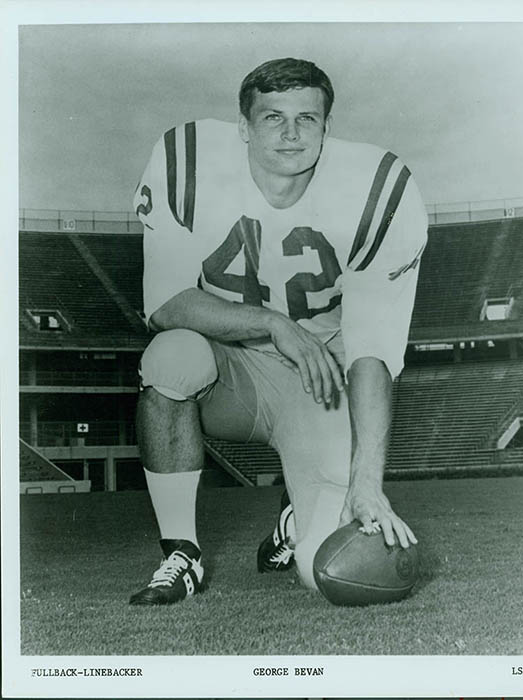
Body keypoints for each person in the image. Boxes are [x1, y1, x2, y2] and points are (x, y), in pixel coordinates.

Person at [129, 57, 428, 605]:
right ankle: (182, 552)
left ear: (326, 127)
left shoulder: (376, 187)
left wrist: (367, 483)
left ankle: (295, 523)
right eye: (273, 117)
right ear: (243, 127)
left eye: (307, 118)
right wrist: (272, 323)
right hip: (229, 365)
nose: (291, 133)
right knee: (169, 356)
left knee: (331, 571)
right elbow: (164, 304)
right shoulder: (187, 161)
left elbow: (373, 351)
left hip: (320, 375)